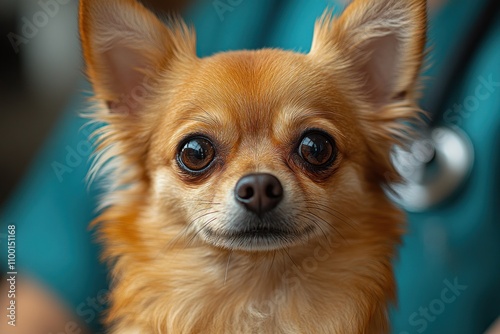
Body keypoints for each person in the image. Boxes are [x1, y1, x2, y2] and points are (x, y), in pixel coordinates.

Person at [1, 0, 499, 333]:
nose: (258, 183)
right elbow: (35, 285)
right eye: (197, 155)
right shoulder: (243, 10)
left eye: (313, 151)